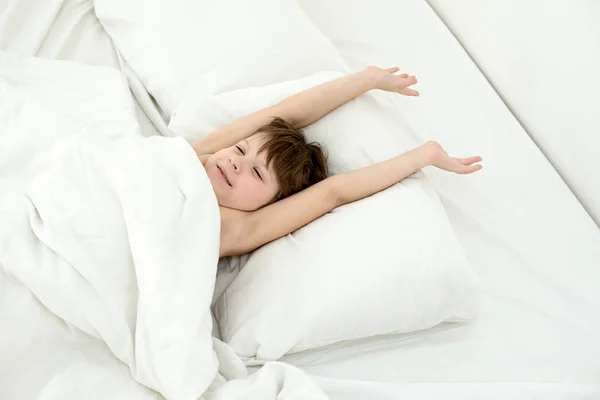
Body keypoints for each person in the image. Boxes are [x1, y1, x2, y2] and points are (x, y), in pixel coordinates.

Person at [191, 66, 482, 258]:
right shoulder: (198, 156)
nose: (236, 164)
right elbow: (284, 113)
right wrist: (367, 79)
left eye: (257, 173)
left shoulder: (242, 226)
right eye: (240, 150)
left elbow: (334, 192)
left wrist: (424, 155)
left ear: (273, 203)